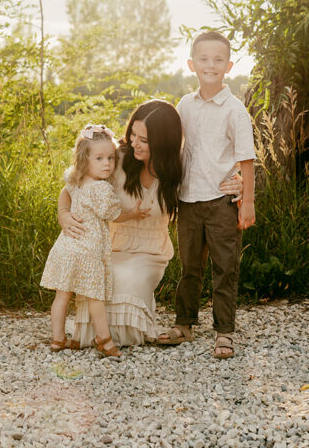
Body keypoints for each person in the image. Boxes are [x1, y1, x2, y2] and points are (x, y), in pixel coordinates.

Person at [158, 31, 256, 360]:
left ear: (228, 66)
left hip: (221, 202)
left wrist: (248, 200)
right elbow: (175, 151)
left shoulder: (234, 109)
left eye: (217, 60)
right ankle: (184, 324)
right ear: (191, 64)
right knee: (189, 267)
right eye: (203, 59)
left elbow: (246, 160)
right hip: (188, 201)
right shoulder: (184, 105)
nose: (210, 65)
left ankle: (224, 332)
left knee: (225, 267)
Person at [58, 100, 183, 347]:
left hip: (150, 252)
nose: (134, 142)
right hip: (110, 246)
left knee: (131, 278)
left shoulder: (177, 168)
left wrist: (237, 184)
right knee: (105, 276)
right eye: (132, 134)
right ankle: (98, 337)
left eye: (143, 140)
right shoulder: (116, 159)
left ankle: (115, 336)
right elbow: (72, 186)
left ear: (163, 143)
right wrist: (63, 214)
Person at [41, 123, 148, 359]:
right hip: (88, 252)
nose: (107, 164)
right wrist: (134, 213)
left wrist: (65, 211)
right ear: (84, 160)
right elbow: (115, 215)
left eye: (110, 158)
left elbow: (65, 193)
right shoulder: (101, 189)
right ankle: (105, 340)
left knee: (62, 295)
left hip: (66, 247)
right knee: (95, 298)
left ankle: (58, 339)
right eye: (99, 159)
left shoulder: (75, 180)